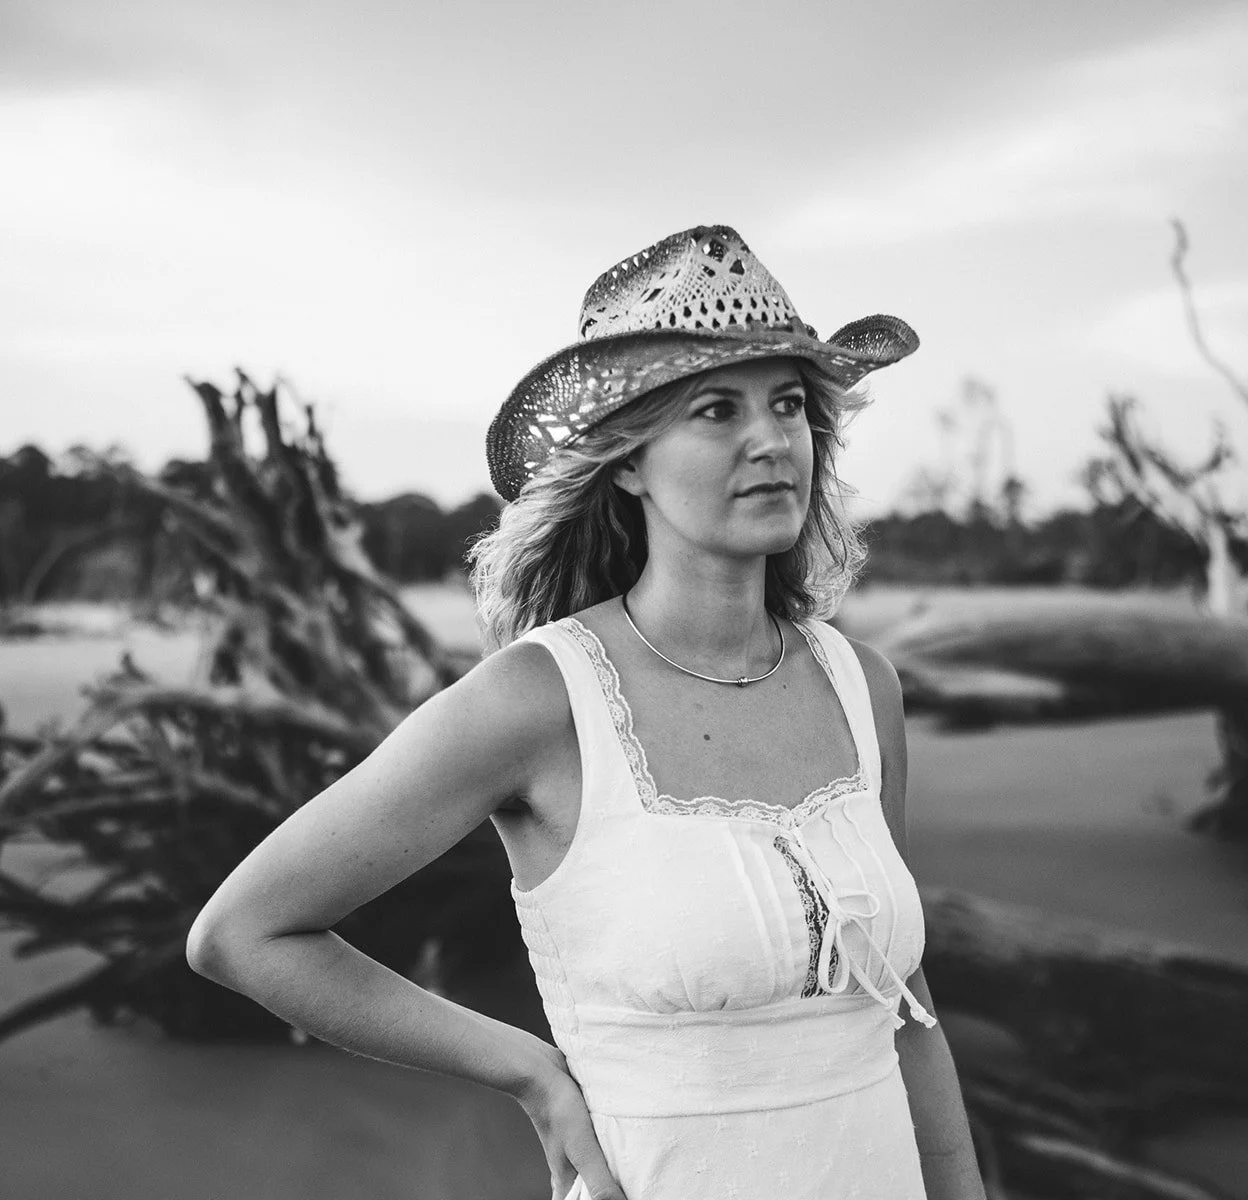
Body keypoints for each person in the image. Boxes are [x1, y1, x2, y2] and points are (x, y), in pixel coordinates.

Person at [186, 224, 985, 1200]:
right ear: (626, 462)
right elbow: (245, 931)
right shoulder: (538, 700)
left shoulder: (865, 686)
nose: (771, 439)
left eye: (788, 404)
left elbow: (907, 1010)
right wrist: (528, 1070)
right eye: (715, 409)